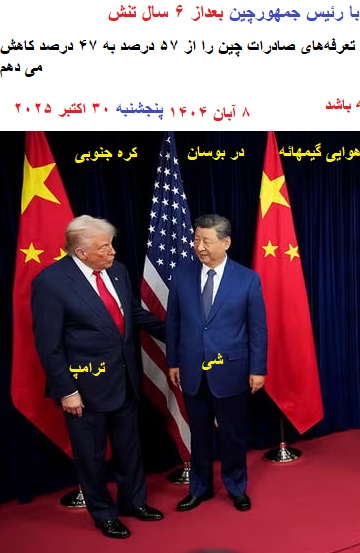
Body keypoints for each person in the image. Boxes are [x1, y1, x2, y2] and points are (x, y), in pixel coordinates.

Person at [31, 215, 165, 539]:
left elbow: (132, 313)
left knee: (130, 448)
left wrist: (177, 332)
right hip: (84, 388)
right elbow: (49, 345)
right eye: (104, 247)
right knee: (91, 456)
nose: (112, 252)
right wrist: (67, 391)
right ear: (81, 252)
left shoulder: (117, 271)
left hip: (125, 380)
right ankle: (104, 514)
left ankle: (134, 503)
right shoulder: (51, 282)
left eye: (111, 244)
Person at [167, 214, 268, 512]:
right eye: (196, 240)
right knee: (198, 434)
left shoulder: (248, 279)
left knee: (232, 433)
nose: (199, 247)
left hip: (231, 370)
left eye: (206, 241)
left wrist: (258, 369)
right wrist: (173, 361)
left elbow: (257, 329)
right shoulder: (182, 275)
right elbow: (173, 322)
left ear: (226, 242)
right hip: (192, 370)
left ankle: (236, 486)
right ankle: (200, 488)